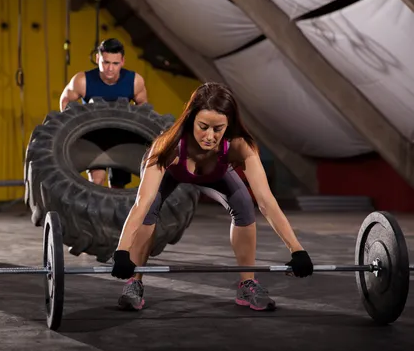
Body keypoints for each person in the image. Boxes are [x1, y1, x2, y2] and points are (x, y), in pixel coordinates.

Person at [110, 82, 314, 311]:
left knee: (244, 203)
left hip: (215, 174)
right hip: (172, 172)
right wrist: (121, 252)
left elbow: (266, 201)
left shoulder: (239, 146)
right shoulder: (168, 147)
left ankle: (247, 283)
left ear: (229, 125)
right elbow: (141, 202)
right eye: (203, 126)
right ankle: (134, 283)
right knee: (149, 208)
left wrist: (297, 250)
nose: (210, 136)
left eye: (218, 129)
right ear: (191, 119)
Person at [59, 38, 148, 188]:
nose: (110, 69)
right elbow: (65, 101)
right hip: (93, 137)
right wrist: (77, 130)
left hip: (121, 138)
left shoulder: (134, 81)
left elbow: (144, 108)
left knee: (118, 186)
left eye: (115, 63)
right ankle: (93, 210)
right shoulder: (82, 80)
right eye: (106, 62)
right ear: (97, 58)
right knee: (97, 181)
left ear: (123, 61)